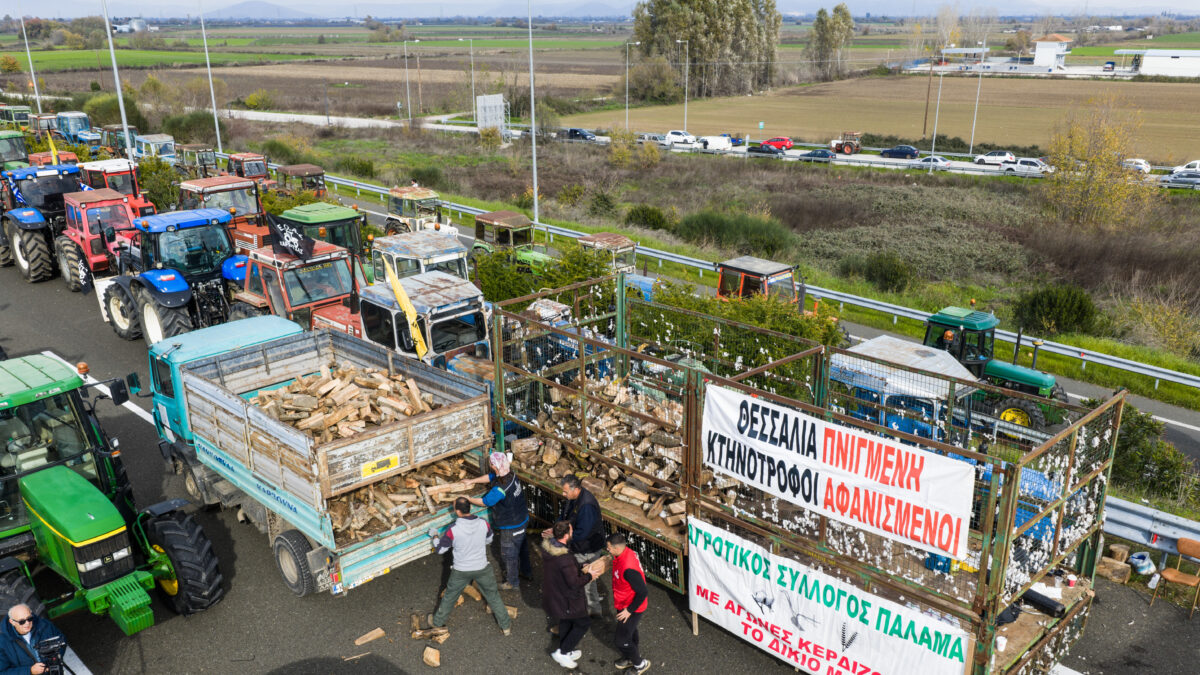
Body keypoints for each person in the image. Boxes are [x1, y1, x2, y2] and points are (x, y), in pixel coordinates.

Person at [426, 497, 511, 635]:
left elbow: (440, 550)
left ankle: (437, 623)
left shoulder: (453, 529)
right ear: (469, 508)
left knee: (450, 596)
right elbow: (489, 540)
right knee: (493, 596)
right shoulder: (484, 523)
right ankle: (506, 626)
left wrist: (435, 535)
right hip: (482, 567)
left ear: (458, 512)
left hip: (461, 570)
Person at [541, 520, 603, 669]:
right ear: (566, 535)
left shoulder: (550, 549)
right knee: (583, 623)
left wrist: (581, 566)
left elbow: (567, 570)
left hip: (555, 594)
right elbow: (574, 582)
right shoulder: (565, 559)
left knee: (566, 621)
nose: (573, 533)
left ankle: (566, 650)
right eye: (571, 531)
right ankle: (563, 652)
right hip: (567, 598)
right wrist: (589, 576)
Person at [466, 453, 531, 590]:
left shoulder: (501, 488)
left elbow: (486, 502)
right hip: (522, 518)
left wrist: (468, 498)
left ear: (495, 466)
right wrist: (472, 481)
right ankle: (527, 572)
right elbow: (490, 477)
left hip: (511, 525)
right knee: (522, 547)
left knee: (509, 554)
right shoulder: (510, 474)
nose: (490, 465)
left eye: (491, 463)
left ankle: (512, 583)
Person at [546, 475, 606, 616]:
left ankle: (593, 610)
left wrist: (561, 537)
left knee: (587, 581)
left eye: (566, 491)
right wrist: (556, 528)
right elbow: (565, 516)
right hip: (578, 546)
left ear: (576, 489)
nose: (563, 494)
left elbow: (582, 533)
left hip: (587, 549)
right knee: (579, 578)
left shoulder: (586, 506)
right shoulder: (573, 499)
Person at [607, 534, 651, 674]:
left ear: (616, 547)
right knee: (630, 632)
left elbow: (643, 592)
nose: (607, 549)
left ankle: (639, 664)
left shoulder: (628, 568)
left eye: (608, 547)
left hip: (631, 606)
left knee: (621, 640)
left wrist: (629, 610)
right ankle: (630, 656)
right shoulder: (626, 553)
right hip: (624, 602)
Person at [0, 604, 65, 675]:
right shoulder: (2, 642)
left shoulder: (45, 625)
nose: (27, 623)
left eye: (29, 618)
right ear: (12, 622)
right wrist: (30, 671)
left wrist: (54, 661)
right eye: (22, 622)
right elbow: (3, 672)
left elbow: (61, 640)